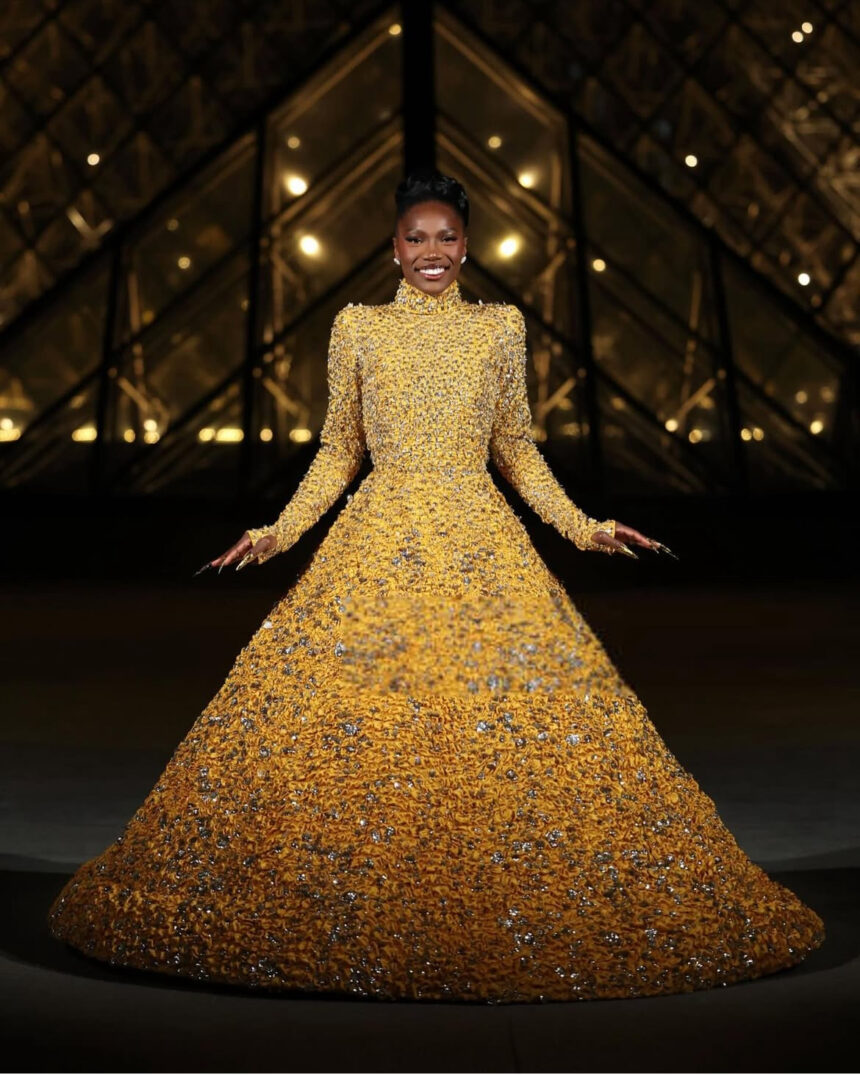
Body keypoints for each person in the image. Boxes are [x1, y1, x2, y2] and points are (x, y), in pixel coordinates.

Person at [48, 168, 824, 1002]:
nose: (431, 252)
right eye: (415, 237)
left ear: (466, 245)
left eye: (445, 237)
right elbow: (338, 450)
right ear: (392, 247)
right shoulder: (358, 328)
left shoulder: (500, 329)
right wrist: (276, 534)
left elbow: (516, 447)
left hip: (483, 547)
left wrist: (582, 526)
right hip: (375, 540)